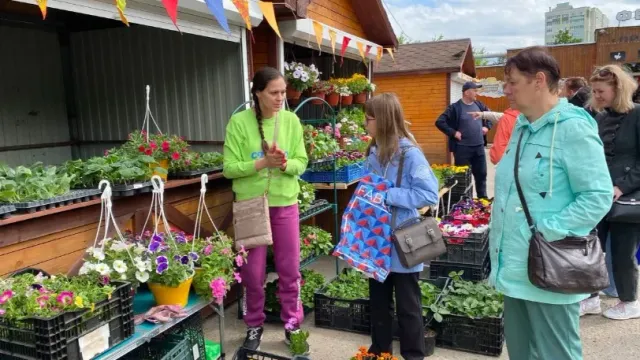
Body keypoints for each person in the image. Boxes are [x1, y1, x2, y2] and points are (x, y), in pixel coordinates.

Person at [489, 46, 613, 360]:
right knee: (522, 352)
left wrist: (546, 233)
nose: (507, 90)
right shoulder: (521, 124)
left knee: (556, 354)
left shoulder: (572, 126)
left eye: (513, 82)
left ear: (539, 81)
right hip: (514, 268)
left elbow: (597, 196)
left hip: (550, 267)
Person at [223, 67, 309, 351]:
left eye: (283, 92)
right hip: (250, 207)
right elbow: (229, 169)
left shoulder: (292, 121)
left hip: (284, 204)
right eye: (274, 92)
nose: (280, 98)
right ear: (258, 92)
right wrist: (261, 164)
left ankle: (292, 325)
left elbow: (301, 161)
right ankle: (253, 325)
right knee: (252, 273)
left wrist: (284, 164)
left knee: (289, 269)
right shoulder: (238, 122)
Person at [363, 93, 439, 360]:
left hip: (404, 245)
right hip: (377, 242)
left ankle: (413, 355)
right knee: (379, 305)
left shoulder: (410, 154)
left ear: (382, 120)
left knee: (408, 308)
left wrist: (389, 194)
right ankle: (379, 352)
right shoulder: (373, 151)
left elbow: (429, 195)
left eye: (368, 118)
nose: (365, 123)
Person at [581, 64, 640, 320]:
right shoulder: (599, 116)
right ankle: (591, 298)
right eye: (594, 91)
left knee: (623, 252)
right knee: (591, 249)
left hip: (628, 196)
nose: (597, 95)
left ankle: (629, 301)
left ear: (618, 88)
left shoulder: (638, 115)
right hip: (598, 193)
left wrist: (622, 186)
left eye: (601, 90)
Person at [435, 81, 492, 198]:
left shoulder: (480, 105)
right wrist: (453, 132)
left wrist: (487, 126)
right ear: (466, 92)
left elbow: (490, 116)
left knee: (481, 176)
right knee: (462, 179)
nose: (477, 93)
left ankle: (483, 202)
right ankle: (465, 205)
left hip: (479, 147)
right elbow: (440, 122)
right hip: (462, 149)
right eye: (475, 90)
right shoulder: (455, 107)